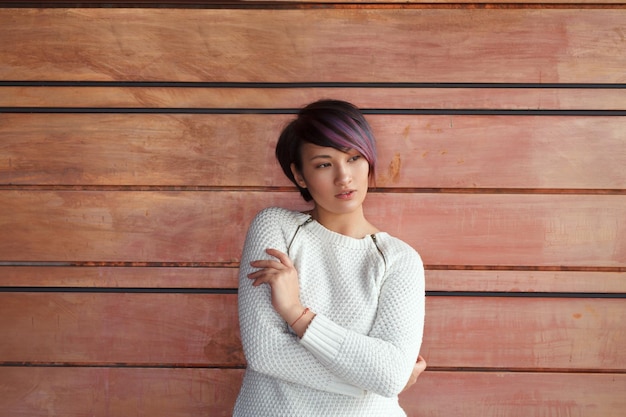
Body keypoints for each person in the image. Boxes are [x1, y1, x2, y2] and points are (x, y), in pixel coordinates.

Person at [233, 99, 426, 416]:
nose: (344, 177)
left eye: (353, 158)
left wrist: (297, 314)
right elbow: (265, 352)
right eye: (324, 164)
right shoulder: (276, 228)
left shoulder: (400, 259)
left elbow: (390, 374)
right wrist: (375, 382)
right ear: (300, 175)